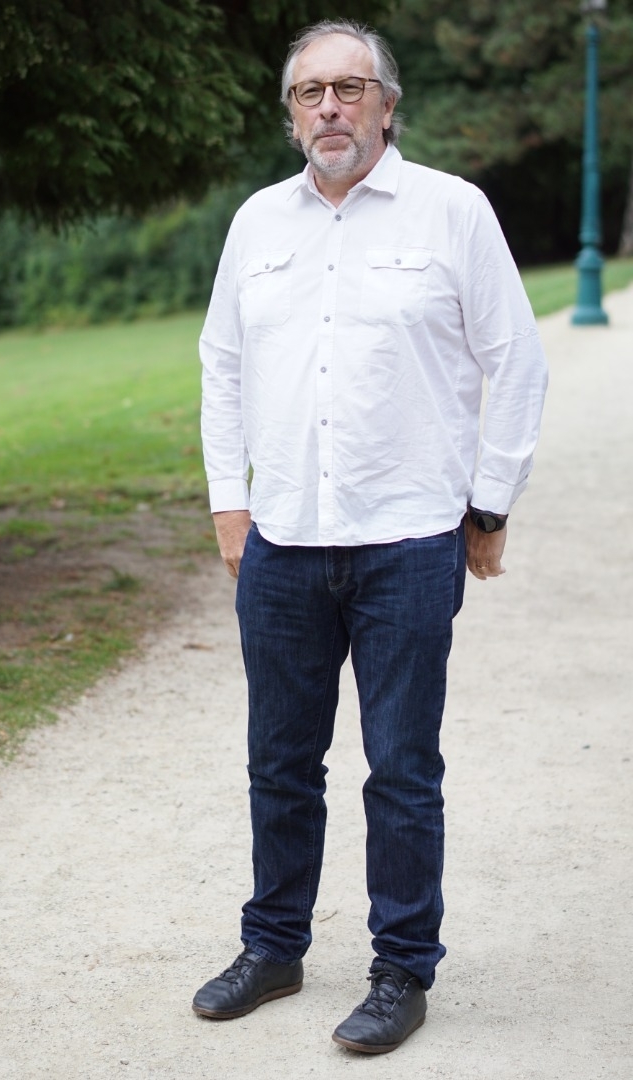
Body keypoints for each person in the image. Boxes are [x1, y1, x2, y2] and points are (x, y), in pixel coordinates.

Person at [193, 18, 547, 1055]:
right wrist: (228, 504)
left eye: (350, 88)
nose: (330, 108)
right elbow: (222, 366)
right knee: (278, 761)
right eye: (311, 93)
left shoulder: (453, 211)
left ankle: (401, 969)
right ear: (291, 114)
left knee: (400, 768)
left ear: (388, 105)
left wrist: (488, 506)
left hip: (408, 541)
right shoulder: (259, 222)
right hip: (283, 542)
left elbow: (517, 361)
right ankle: (273, 948)